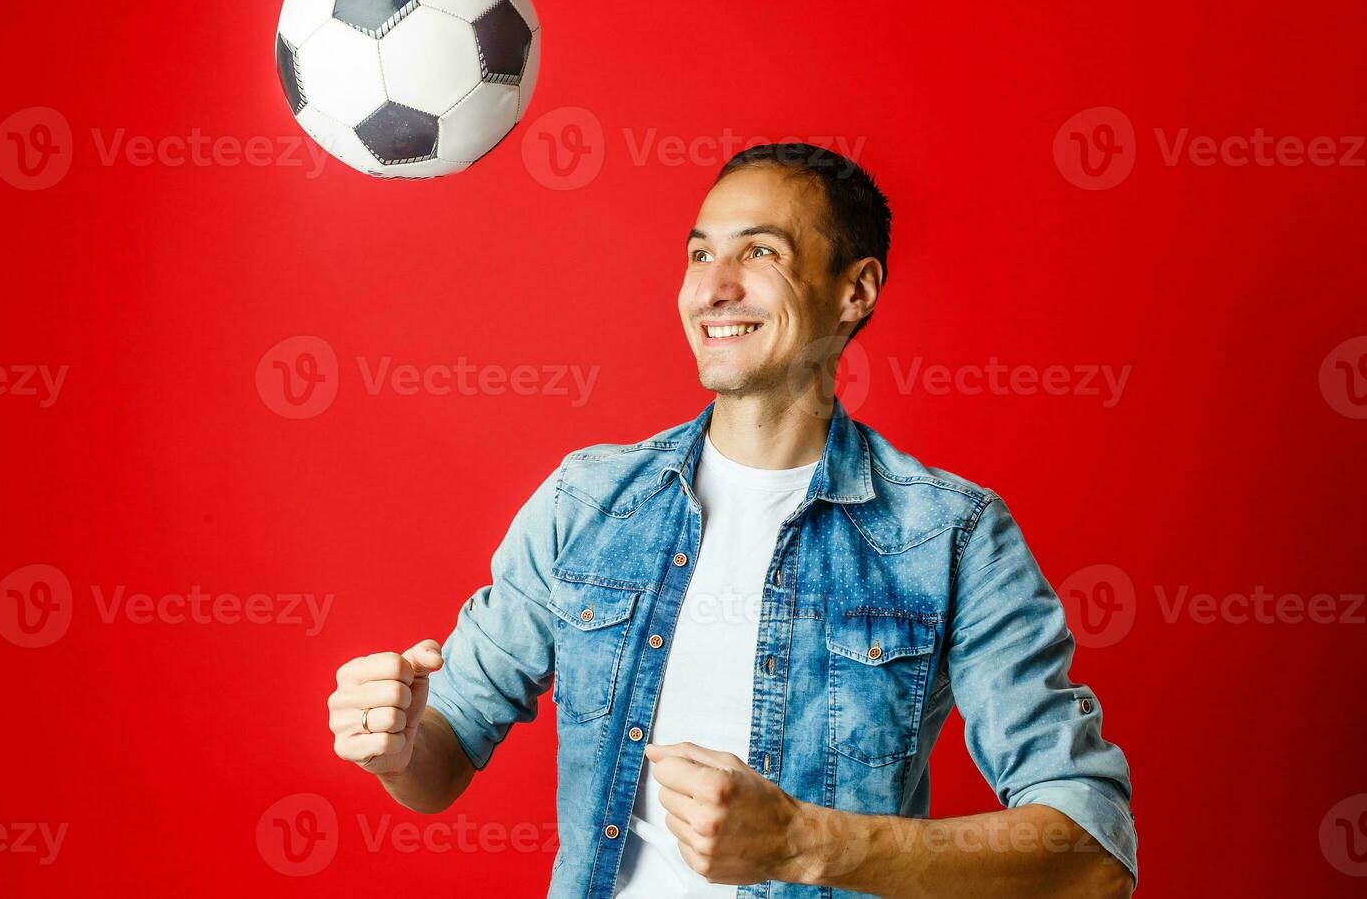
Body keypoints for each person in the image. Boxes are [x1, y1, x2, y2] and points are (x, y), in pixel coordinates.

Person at [327, 143, 1137, 898]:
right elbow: (443, 757)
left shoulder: (951, 537)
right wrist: (398, 746)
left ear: (855, 291)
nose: (713, 287)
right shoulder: (588, 502)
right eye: (700, 253)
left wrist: (804, 843)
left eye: (760, 254)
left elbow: (1093, 855)